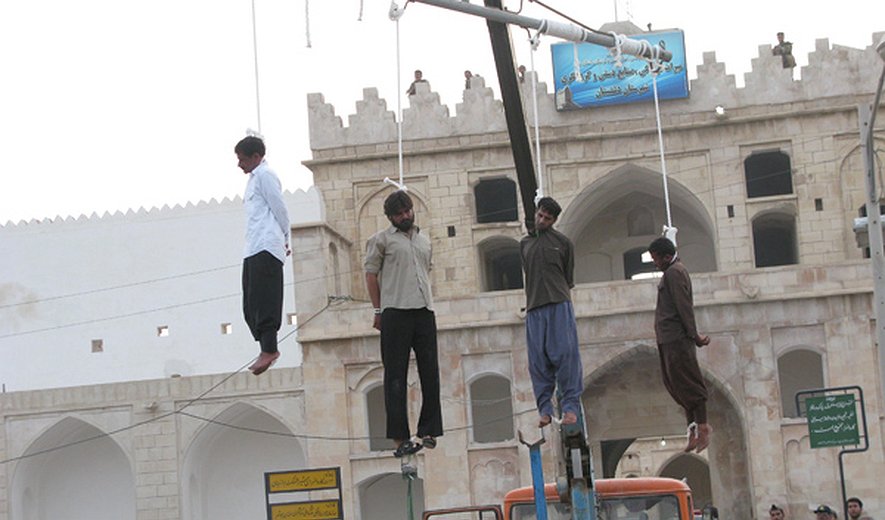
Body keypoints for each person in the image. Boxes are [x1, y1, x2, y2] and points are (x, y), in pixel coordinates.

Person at [364, 190, 442, 457]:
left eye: (407, 211)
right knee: (395, 377)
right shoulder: (381, 240)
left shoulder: (424, 240)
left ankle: (428, 429)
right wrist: (378, 310)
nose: (405, 216)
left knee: (430, 372)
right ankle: (399, 438)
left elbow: (425, 270)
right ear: (391, 217)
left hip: (424, 311)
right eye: (399, 214)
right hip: (395, 312)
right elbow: (371, 275)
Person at [520, 197, 583, 427]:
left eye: (547, 218)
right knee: (538, 361)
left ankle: (570, 408)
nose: (542, 220)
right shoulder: (525, 244)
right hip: (535, 307)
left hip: (558, 303)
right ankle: (545, 410)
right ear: (536, 213)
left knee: (566, 355)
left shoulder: (563, 243)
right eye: (540, 215)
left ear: (554, 220)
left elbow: (568, 277)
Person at [648, 236, 712, 452]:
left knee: (690, 382)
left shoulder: (675, 273)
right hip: (667, 338)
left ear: (667, 256)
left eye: (656, 259)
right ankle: (692, 429)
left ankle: (703, 427)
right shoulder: (670, 273)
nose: (655, 263)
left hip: (677, 338)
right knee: (677, 384)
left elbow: (683, 306)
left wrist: (694, 336)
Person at [234, 135, 291, 376]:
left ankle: (270, 348)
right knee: (250, 303)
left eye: (243, 159)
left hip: (267, 244)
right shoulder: (253, 180)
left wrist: (285, 237)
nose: (240, 164)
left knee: (265, 300)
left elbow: (279, 207)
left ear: (257, 157)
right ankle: (263, 347)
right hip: (253, 246)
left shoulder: (266, 176)